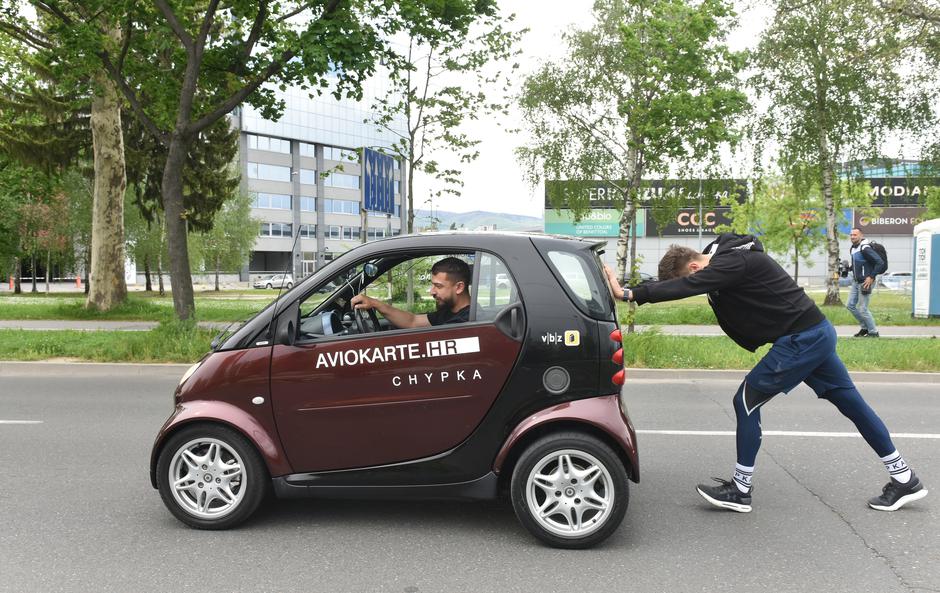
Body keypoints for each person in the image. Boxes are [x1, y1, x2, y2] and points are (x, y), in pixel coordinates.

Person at [604, 233, 927, 513]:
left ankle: (740, 490)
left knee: (745, 401)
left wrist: (629, 293)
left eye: (696, 280)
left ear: (693, 267)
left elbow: (691, 285)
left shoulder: (732, 262)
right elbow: (698, 284)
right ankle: (905, 479)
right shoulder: (729, 258)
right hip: (813, 334)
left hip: (801, 339)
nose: (704, 287)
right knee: (852, 405)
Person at [351, 256, 471, 328]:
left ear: (459, 287)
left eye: (438, 286)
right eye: (432, 285)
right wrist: (374, 303)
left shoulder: (465, 321)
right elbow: (412, 321)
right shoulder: (449, 312)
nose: (431, 292)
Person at [846, 228, 884, 338]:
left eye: (855, 235)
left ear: (861, 235)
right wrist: (847, 268)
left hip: (865, 282)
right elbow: (859, 264)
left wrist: (871, 277)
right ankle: (864, 328)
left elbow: (879, 262)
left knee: (863, 309)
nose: (852, 237)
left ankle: (873, 332)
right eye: (851, 235)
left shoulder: (865, 248)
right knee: (850, 305)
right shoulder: (853, 248)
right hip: (856, 281)